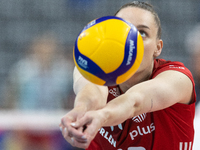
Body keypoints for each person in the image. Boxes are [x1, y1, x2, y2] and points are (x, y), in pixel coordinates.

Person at [60, 1, 196, 150]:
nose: (131, 41)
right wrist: (81, 110)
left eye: (142, 33)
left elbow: (135, 101)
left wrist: (102, 116)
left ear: (158, 47)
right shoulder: (93, 64)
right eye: (122, 31)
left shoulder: (178, 77)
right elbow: (92, 92)